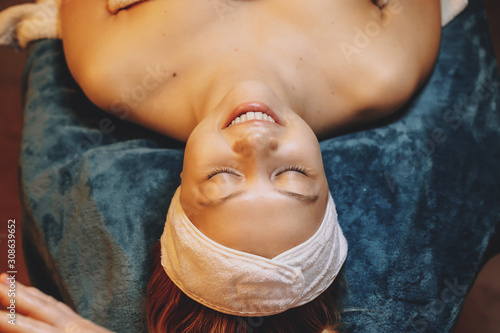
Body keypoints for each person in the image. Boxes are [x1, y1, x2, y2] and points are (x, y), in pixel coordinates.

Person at [0, 0, 461, 332]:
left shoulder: (115, 71)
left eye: (222, 178)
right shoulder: (381, 69)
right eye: (292, 175)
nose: (256, 141)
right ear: (329, 183)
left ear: (178, 191)